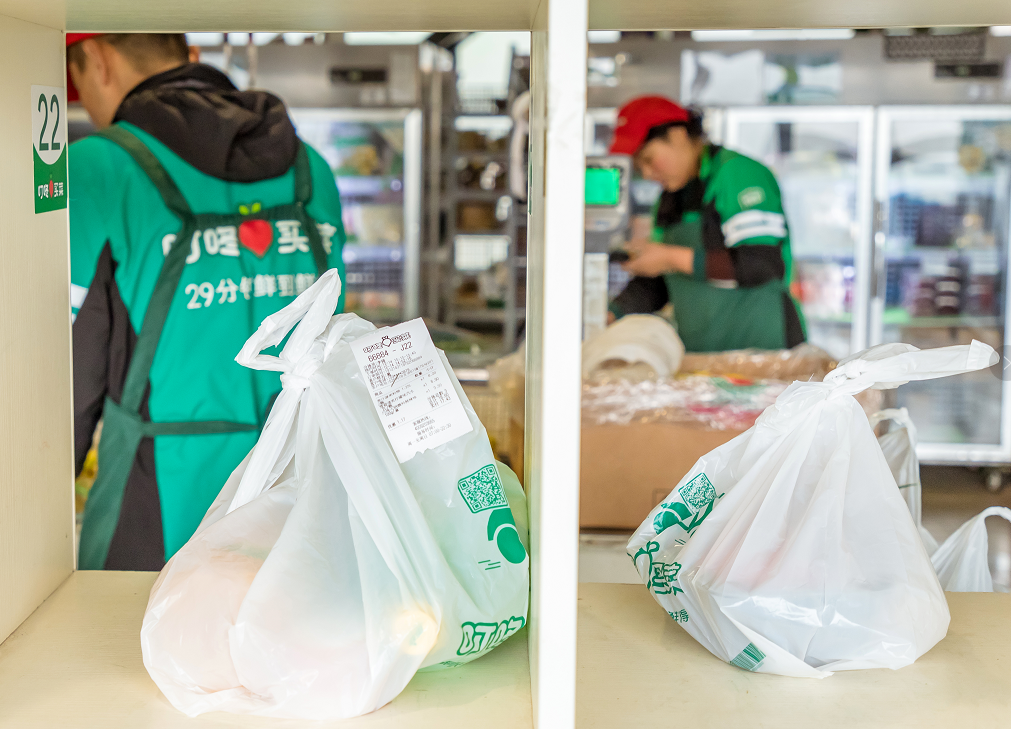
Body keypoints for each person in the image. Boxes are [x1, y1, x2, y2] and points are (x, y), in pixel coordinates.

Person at [68, 33, 346, 570]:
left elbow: (71, 376)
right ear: (189, 54)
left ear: (98, 60)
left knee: (132, 626)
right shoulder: (310, 169)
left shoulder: (96, 169)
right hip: (299, 509)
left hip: (151, 521)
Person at [608, 95, 805, 353]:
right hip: (705, 358)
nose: (646, 173)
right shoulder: (667, 200)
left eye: (648, 158)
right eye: (638, 166)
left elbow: (761, 263)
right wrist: (613, 313)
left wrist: (669, 256)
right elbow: (662, 282)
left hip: (767, 352)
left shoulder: (737, 174)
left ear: (678, 135)